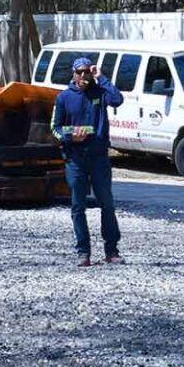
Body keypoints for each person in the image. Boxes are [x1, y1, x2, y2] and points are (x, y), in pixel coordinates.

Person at [51, 57, 124, 266]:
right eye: (79, 72)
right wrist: (70, 136)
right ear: (73, 74)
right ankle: (83, 252)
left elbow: (117, 99)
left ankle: (112, 251)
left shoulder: (100, 93)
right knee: (78, 206)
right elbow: (54, 128)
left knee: (107, 203)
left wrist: (101, 77)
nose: (83, 76)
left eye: (87, 72)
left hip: (99, 157)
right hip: (75, 158)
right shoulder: (63, 98)